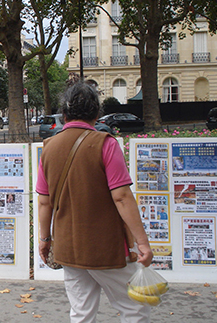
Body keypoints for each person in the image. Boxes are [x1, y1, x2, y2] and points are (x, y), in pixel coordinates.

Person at [37, 82, 153, 323]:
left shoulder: (48, 148)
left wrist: (45, 239)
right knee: (134, 307)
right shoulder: (105, 144)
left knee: (81, 312)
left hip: (68, 247)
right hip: (106, 248)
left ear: (65, 114)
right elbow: (121, 197)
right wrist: (142, 242)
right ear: (96, 114)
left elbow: (44, 203)